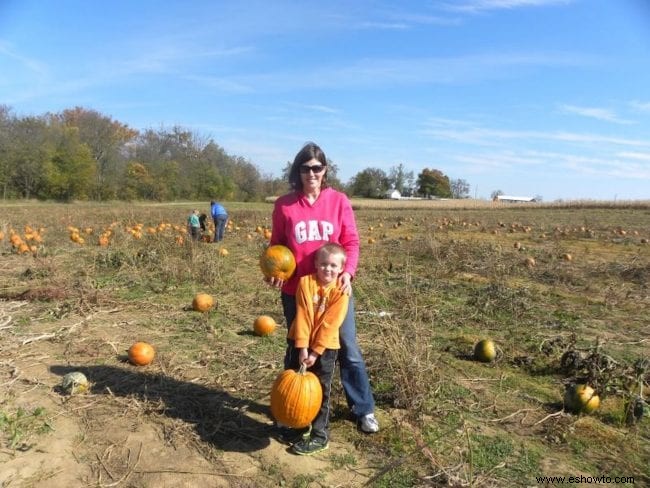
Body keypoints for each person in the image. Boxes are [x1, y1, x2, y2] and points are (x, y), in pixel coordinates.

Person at [266, 141, 379, 437]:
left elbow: (351, 242)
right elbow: (276, 246)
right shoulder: (284, 205)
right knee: (297, 347)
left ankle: (363, 408)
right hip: (297, 292)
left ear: (325, 170)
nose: (311, 173)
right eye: (305, 168)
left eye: (317, 168)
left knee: (347, 348)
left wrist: (348, 273)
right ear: (298, 171)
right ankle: (292, 408)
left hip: (334, 292)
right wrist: (274, 273)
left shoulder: (338, 201)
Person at [283, 243, 349, 455]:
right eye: (323, 264)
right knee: (296, 384)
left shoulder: (341, 292)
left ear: (341, 268)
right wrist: (302, 348)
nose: (327, 269)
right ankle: (299, 425)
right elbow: (301, 315)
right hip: (299, 342)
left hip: (326, 348)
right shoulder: (305, 283)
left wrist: (314, 352)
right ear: (315, 264)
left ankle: (320, 435)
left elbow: (330, 325)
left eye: (332, 265)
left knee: (320, 391)